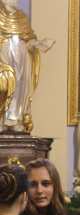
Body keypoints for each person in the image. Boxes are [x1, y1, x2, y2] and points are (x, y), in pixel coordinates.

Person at [0, 0, 54, 132]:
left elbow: (29, 39)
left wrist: (38, 43)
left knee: (21, 86)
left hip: (23, 59)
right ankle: (2, 119)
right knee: (6, 84)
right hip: (4, 57)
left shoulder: (22, 17)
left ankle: (15, 119)